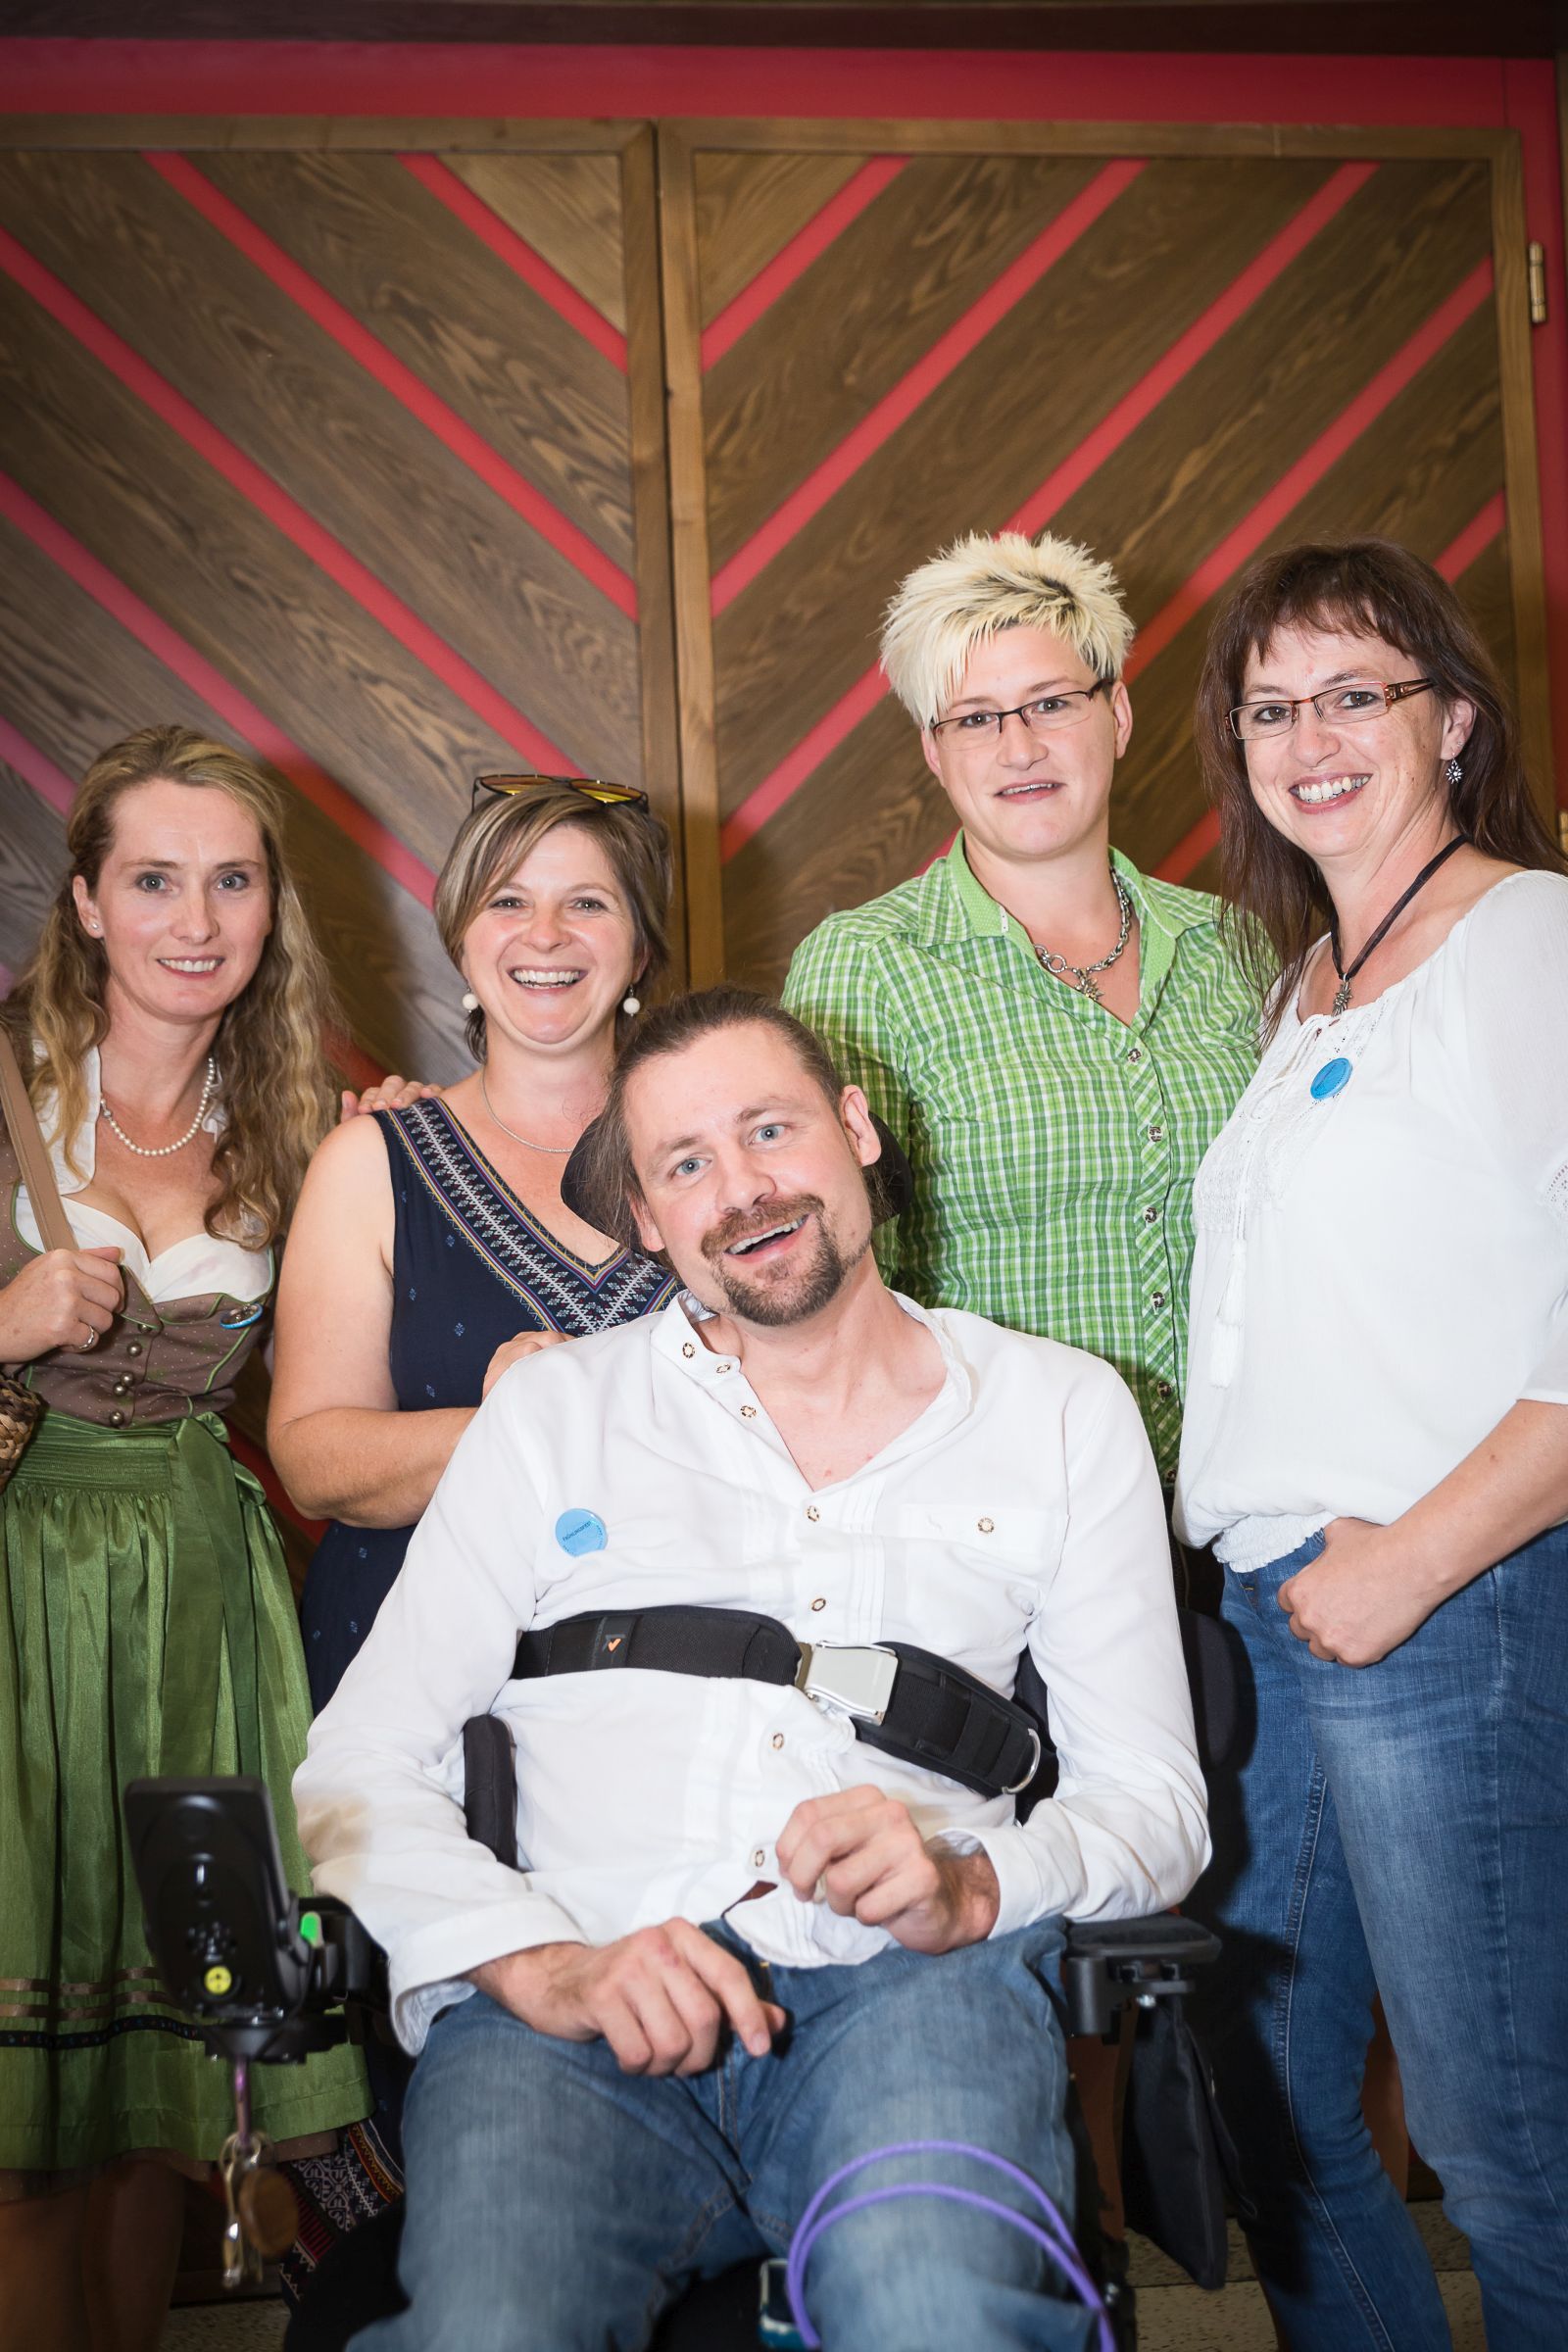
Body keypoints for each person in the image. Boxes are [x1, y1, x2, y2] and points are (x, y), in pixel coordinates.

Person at [294, 985, 1209, 2352]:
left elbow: (1155, 1806)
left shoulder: (1062, 1412)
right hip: (580, 1990)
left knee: (938, 2316)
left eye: (770, 1129)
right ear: (648, 1221)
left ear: (857, 1130)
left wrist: (975, 1884)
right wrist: (537, 1966)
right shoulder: (551, 1415)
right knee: (495, 2328)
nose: (741, 1190)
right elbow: (359, 1766)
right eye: (685, 1165)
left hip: (913, 1995)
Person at [1174, 539, 1568, 2351]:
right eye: (1273, 709)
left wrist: (1409, 1565)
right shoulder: (1306, 986)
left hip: (1452, 1603)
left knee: (1507, 2145)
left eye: (1357, 695)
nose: (1309, 740)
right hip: (1283, 1608)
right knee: (1262, 2095)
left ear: (1455, 721)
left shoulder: (1529, 942)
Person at [0, 726, 367, 2352]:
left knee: (163, 2101)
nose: (196, 921)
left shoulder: (305, 1121)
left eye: (233, 880)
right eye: (154, 880)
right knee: (23, 2132)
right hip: (18, 1589)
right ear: (86, 900)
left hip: (203, 1608)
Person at [782, 530, 1260, 1494]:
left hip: (1253, 1503)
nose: (1020, 747)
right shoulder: (867, 967)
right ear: (934, 751)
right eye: (975, 719)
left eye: (1050, 703)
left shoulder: (1240, 949)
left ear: (1116, 715)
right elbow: (837, 1287)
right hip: (1010, 1510)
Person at [269, 776, 679, 1714]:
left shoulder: (714, 1157)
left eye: (588, 903)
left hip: (667, 1668)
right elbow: (312, 1460)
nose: (546, 936)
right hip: (411, 1661)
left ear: (642, 948)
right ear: (461, 938)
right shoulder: (371, 1161)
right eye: (509, 902)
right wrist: (515, 1424)